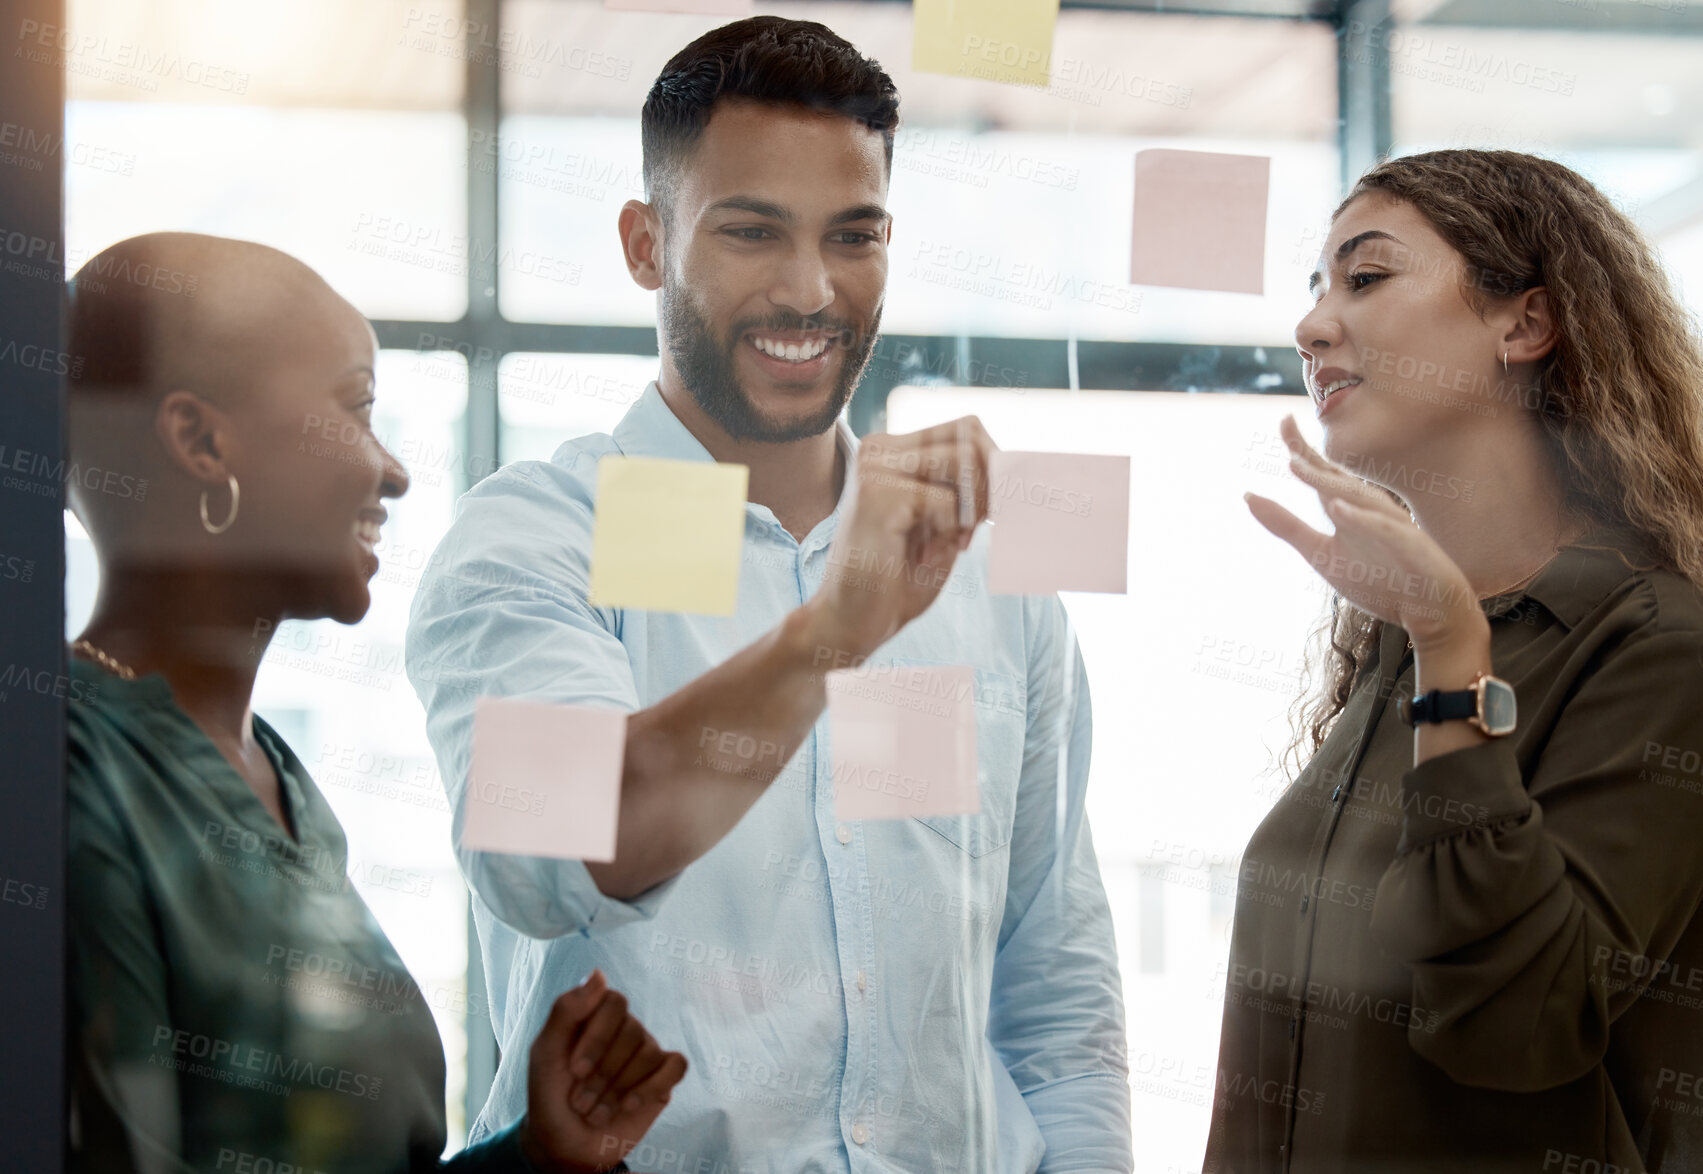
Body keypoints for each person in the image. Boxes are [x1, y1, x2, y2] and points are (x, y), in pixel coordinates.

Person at [405, 16, 1131, 1173]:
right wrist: (833, 635)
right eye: (751, 232)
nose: (809, 290)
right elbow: (563, 853)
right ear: (647, 244)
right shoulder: (538, 538)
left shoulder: (988, 579)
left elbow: (1052, 981)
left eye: (854, 236)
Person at [64, 231, 687, 1174]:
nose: (391, 469)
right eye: (355, 410)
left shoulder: (275, 777)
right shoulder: (67, 776)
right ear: (201, 440)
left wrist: (536, 1156)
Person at [1216, 150, 1703, 1172]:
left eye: (1365, 277)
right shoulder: (1402, 640)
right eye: (1315, 290)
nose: (1310, 327)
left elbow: (1513, 1026)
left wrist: (1450, 658)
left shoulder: (1659, 647)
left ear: (1524, 324)